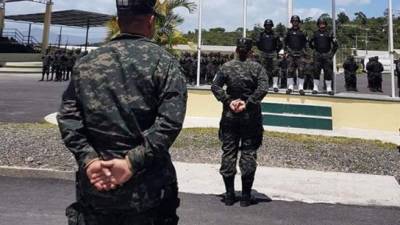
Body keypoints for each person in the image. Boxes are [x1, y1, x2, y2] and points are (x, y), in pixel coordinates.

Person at [57, 0, 187, 224]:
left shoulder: (86, 63)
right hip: (147, 191)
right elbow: (169, 123)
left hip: (96, 187)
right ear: (151, 21)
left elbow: (68, 117)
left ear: (118, 22)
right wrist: (130, 163)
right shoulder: (164, 63)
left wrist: (89, 159)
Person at [211, 38, 268, 207]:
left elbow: (215, 86)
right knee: (248, 153)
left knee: (229, 152)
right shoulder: (257, 68)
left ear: (236, 49)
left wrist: (228, 101)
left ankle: (229, 195)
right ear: (250, 51)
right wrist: (248, 102)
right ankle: (245, 196)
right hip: (250, 118)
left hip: (230, 116)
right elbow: (263, 88)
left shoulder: (226, 67)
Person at [309, 17, 339, 96]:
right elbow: (310, 43)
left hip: (327, 56)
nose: (322, 25)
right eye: (320, 24)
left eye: (323, 24)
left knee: (328, 72)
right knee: (316, 72)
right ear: (318, 25)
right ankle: (315, 88)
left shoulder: (330, 34)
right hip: (317, 56)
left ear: (325, 25)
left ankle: (329, 89)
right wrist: (314, 50)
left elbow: (336, 45)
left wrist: (331, 54)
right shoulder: (315, 34)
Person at [256, 19, 283, 92]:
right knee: (263, 70)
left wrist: (276, 51)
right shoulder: (261, 34)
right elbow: (258, 43)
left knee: (275, 69)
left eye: (270, 25)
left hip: (273, 53)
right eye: (267, 25)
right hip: (263, 53)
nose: (268, 27)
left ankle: (275, 85)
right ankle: (264, 85)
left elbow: (280, 44)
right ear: (265, 26)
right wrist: (262, 50)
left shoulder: (275, 34)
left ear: (272, 26)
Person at [284, 15, 308, 95]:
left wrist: (306, 53)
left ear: (298, 22)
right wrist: (286, 52)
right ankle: (290, 88)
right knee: (290, 71)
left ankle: (300, 88)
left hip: (300, 54)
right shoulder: (288, 32)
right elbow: (285, 43)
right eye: (293, 21)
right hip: (291, 54)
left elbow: (305, 44)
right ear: (291, 22)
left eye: (296, 21)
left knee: (301, 70)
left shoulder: (303, 32)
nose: (295, 22)